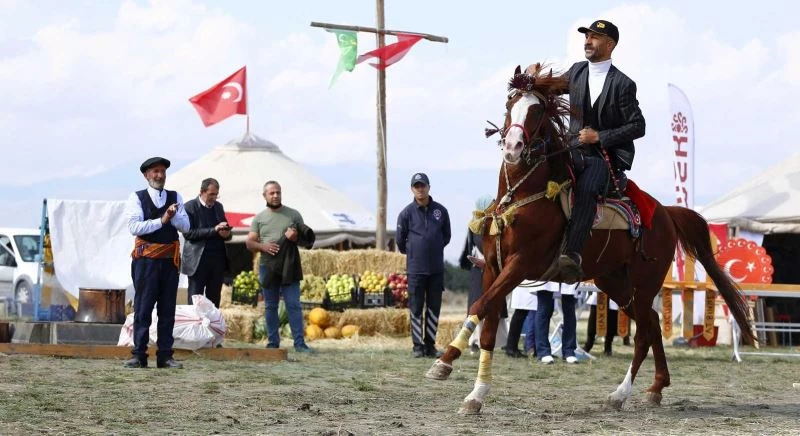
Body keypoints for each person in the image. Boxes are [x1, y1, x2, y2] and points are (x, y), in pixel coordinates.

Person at [529, 20, 645, 284]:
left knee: (588, 185)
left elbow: (638, 126)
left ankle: (572, 253)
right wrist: (534, 78)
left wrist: (600, 136)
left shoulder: (623, 84)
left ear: (610, 44)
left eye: (595, 37)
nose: (587, 41)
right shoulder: (578, 71)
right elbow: (552, 88)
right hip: (571, 149)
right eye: (587, 36)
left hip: (602, 159)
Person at [124, 157, 190, 369]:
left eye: (162, 171)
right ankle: (139, 354)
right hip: (146, 261)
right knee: (143, 308)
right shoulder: (137, 198)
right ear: (146, 175)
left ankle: (165, 355)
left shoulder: (175, 196)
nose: (160, 175)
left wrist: (173, 217)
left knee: (167, 309)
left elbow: (186, 226)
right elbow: (134, 227)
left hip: (169, 261)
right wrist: (161, 221)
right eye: (155, 172)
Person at [245, 181, 315, 353]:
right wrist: (263, 247)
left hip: (289, 266)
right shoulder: (259, 218)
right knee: (270, 306)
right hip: (268, 266)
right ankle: (273, 343)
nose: (275, 195)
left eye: (278, 192)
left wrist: (294, 238)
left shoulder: (293, 215)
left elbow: (307, 240)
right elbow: (249, 243)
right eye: (271, 193)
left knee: (293, 304)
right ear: (265, 196)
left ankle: (299, 343)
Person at [397, 172, 451, 358]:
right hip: (415, 270)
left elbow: (446, 237)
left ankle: (430, 346)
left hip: (436, 269)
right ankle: (417, 347)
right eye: (416, 186)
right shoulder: (406, 213)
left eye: (423, 185)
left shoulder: (441, 211)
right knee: (416, 308)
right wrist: (415, 251)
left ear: (429, 187)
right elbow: (399, 241)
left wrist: (433, 248)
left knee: (433, 309)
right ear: (412, 189)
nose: (420, 189)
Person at [459, 195, 507, 355]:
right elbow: (480, 244)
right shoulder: (477, 225)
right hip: (480, 271)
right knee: (479, 306)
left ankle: (495, 341)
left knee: (494, 305)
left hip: (493, 269)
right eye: (492, 205)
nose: (495, 206)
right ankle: (475, 341)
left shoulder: (495, 222)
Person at [181, 178, 232, 308]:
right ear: (202, 192)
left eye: (216, 194)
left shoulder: (218, 207)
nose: (214, 198)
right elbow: (188, 233)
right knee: (195, 300)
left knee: (214, 301)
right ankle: (195, 327)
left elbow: (224, 229)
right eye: (211, 194)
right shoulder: (189, 207)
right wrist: (214, 230)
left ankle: (212, 328)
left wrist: (226, 234)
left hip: (217, 260)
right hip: (197, 262)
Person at [535, 282, 579, 364]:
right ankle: (543, 351)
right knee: (544, 308)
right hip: (547, 275)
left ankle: (569, 351)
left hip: (568, 274)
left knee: (569, 310)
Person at [505, 281, 538, 358]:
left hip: (529, 284)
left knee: (521, 314)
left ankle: (512, 347)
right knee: (520, 313)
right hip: (525, 284)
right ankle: (511, 347)